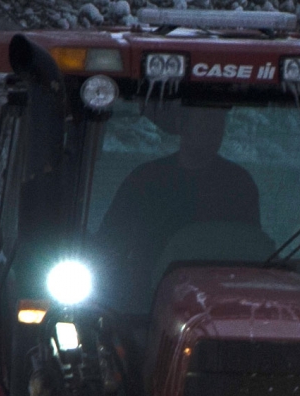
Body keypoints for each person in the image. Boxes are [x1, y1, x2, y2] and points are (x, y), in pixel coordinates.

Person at [95, 105, 262, 304]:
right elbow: (110, 241)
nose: (213, 130)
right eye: (205, 121)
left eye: (219, 123)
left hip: (220, 301)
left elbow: (250, 246)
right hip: (146, 301)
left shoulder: (237, 184)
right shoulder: (146, 180)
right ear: (182, 125)